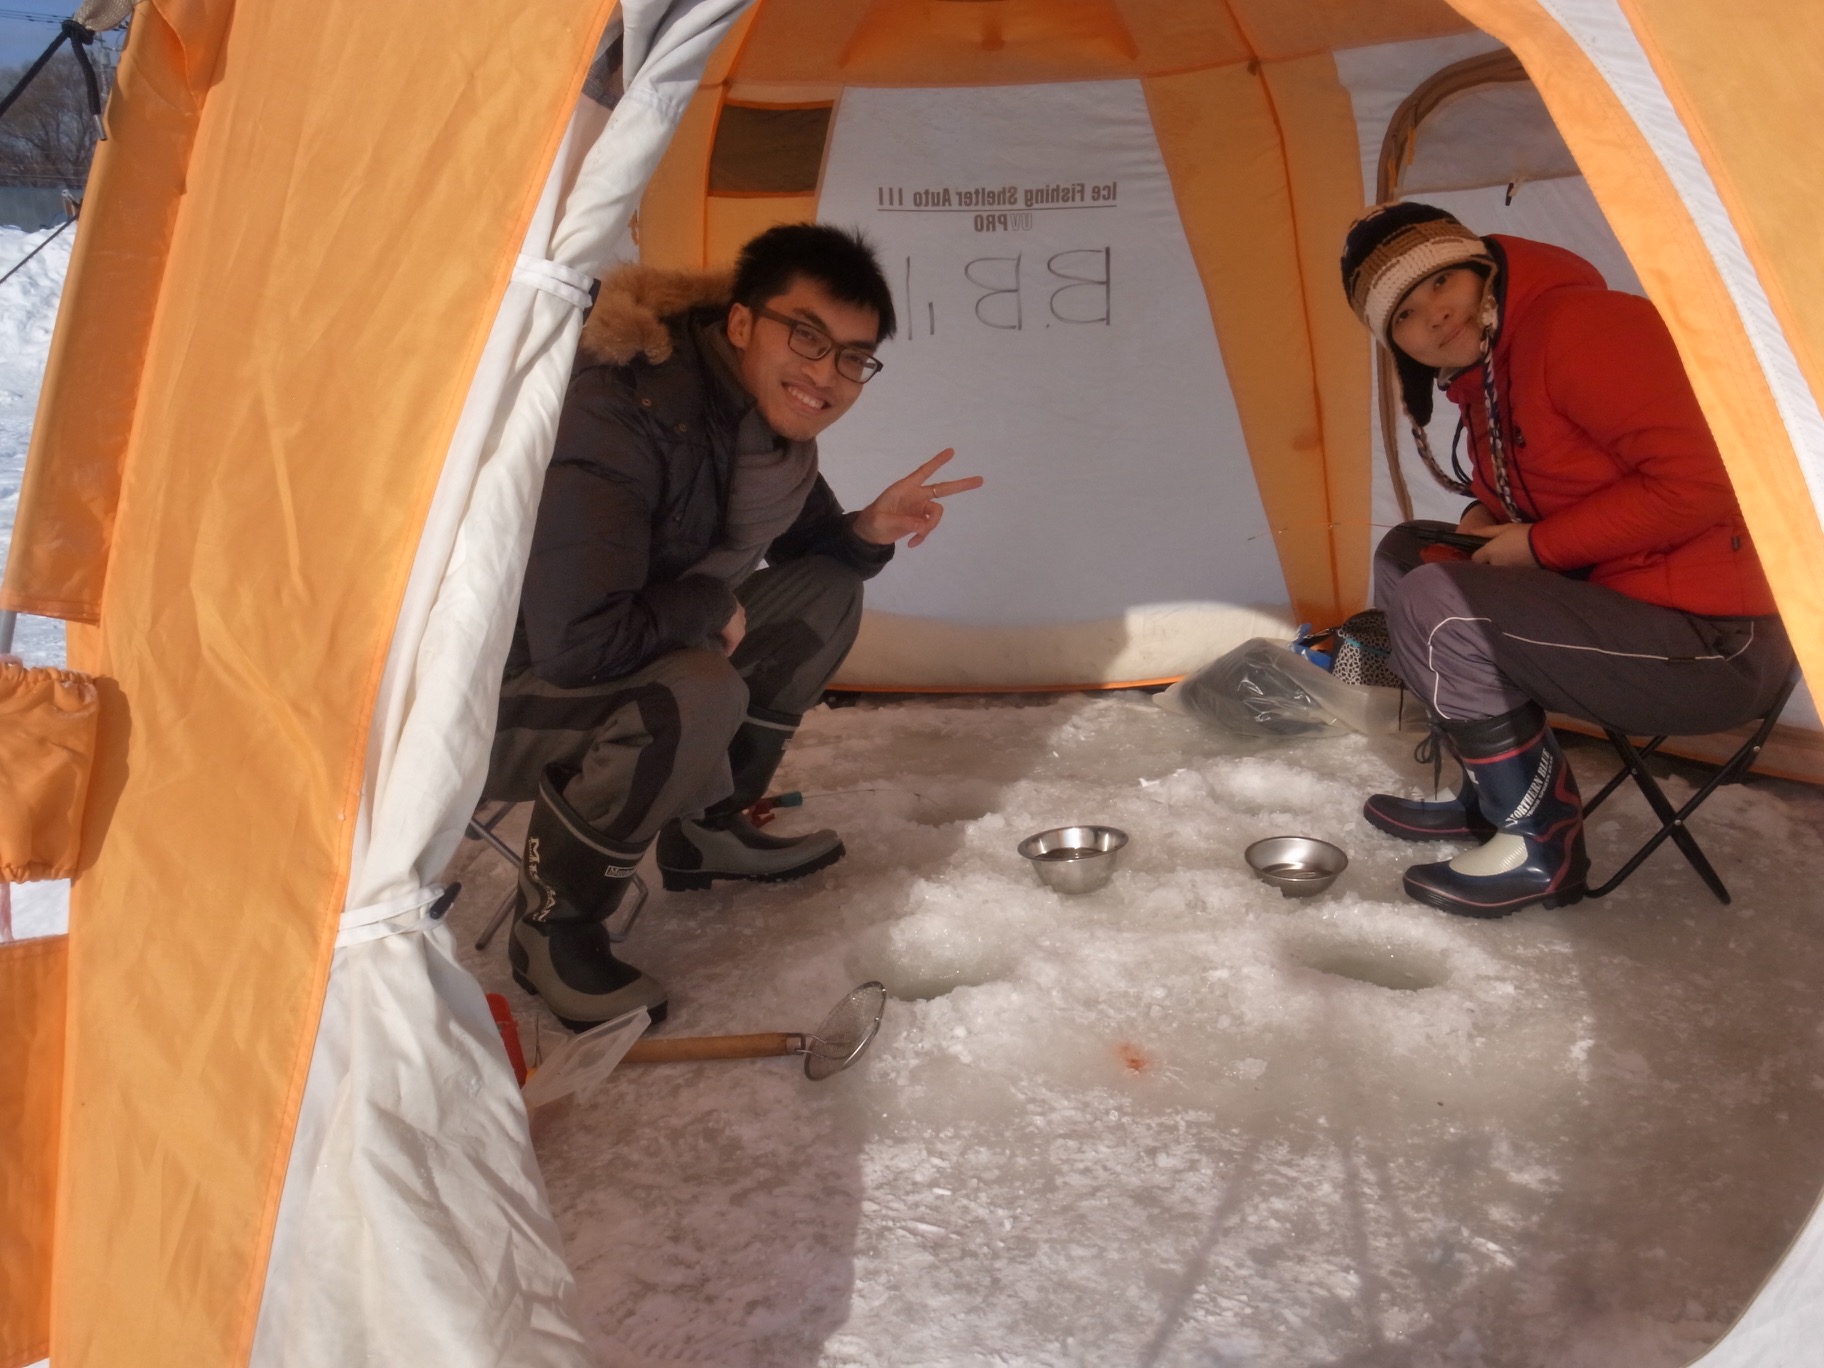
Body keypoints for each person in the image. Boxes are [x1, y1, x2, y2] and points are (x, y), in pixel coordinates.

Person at [486, 223, 982, 1027]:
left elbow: (809, 550)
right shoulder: (625, 412)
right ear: (744, 321)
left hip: (614, 653)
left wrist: (869, 528)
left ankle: (704, 829)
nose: (825, 375)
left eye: (852, 357)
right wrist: (708, 606)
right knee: (696, 686)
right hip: (496, 698)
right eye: (807, 337)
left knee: (826, 592)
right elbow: (577, 642)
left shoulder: (756, 427)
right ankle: (552, 926)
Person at [1339, 202, 1792, 919]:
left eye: (1441, 281)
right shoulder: (1488, 374)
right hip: (1631, 606)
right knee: (1411, 553)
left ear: (1482, 268)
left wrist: (1537, 545)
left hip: (1719, 643)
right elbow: (1555, 481)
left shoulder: (1579, 327)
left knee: (1439, 602)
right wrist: (1486, 517)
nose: (1434, 314)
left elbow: (1703, 482)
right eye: (1403, 315)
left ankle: (1538, 847)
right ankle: (1490, 795)